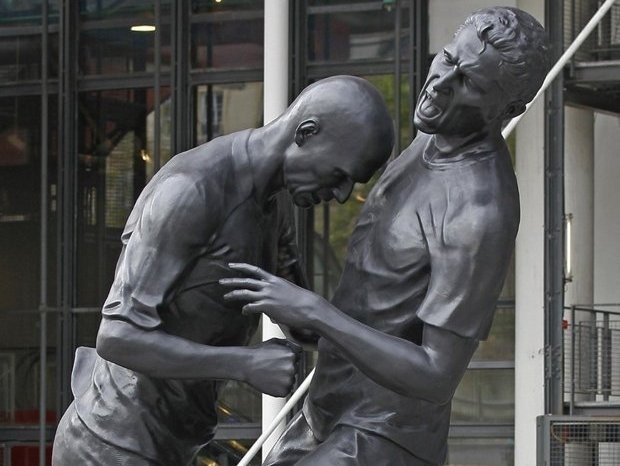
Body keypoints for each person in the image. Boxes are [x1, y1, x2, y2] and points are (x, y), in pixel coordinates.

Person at [221, 7, 550, 466]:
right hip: (327, 412)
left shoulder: (480, 209)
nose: (440, 83)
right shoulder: (431, 137)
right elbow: (380, 305)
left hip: (383, 437)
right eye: (447, 58)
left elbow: (437, 375)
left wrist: (316, 313)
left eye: (469, 83)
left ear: (509, 110)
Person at [51, 75, 394, 466]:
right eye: (340, 174)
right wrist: (244, 364)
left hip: (168, 444)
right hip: (108, 445)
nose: (343, 195)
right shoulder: (191, 190)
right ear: (306, 133)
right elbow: (117, 338)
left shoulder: (272, 206)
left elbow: (303, 327)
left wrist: (385, 326)